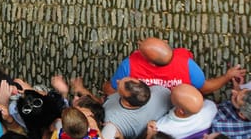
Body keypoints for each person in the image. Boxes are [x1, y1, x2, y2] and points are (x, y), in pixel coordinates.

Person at [105, 37, 246, 94]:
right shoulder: (188, 66)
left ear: (150, 62)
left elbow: (111, 90)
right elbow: (204, 87)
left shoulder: (129, 65)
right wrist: (227, 76)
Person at [102, 77, 171, 139]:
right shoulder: (162, 92)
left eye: (119, 84)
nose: (117, 81)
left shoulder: (112, 118)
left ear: (127, 103)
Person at [148, 84, 218, 139]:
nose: (172, 88)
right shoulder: (211, 108)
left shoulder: (160, 128)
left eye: (172, 93)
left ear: (181, 111)